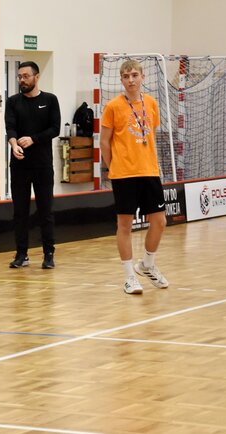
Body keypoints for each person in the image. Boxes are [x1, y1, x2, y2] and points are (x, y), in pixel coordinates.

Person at [100, 59, 169, 295]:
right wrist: (114, 167)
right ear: (121, 80)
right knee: (125, 225)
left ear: (142, 77)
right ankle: (129, 277)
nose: (131, 80)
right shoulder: (113, 106)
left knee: (160, 222)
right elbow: (104, 142)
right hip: (124, 174)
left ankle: (147, 264)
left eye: (134, 75)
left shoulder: (151, 103)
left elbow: (150, 135)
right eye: (126, 76)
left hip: (149, 171)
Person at [5, 61, 61, 269]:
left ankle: (48, 254)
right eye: (20, 76)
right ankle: (22, 254)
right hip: (19, 165)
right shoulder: (13, 102)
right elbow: (10, 128)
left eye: (26, 76)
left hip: (42, 165)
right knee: (20, 212)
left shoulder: (50, 100)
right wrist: (14, 145)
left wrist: (33, 139)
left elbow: (55, 128)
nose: (22, 80)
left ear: (36, 77)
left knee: (45, 211)